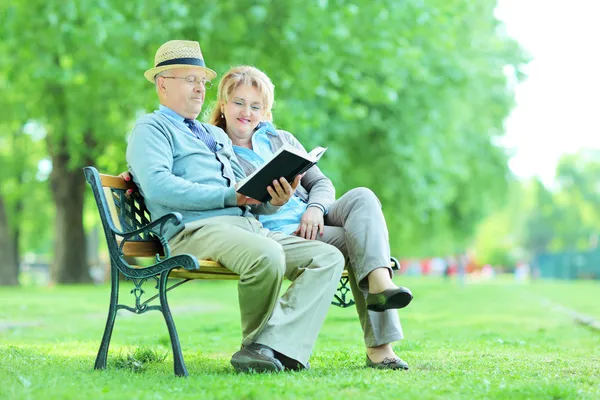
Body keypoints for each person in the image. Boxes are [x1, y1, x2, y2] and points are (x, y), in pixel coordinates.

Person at [126, 40, 346, 373]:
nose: (200, 89)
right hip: (193, 230)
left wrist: (274, 201)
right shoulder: (151, 128)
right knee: (267, 255)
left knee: (328, 257)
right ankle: (258, 347)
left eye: (203, 82)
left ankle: (267, 348)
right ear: (163, 83)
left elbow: (247, 200)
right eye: (190, 80)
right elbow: (159, 186)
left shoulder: (212, 134)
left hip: (246, 227)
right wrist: (232, 197)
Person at [206, 65, 414, 370]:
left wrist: (316, 209)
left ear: (265, 110)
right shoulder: (217, 148)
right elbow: (237, 207)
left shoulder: (280, 139)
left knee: (363, 197)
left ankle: (381, 286)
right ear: (223, 105)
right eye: (238, 103)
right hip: (278, 233)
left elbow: (321, 183)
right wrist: (277, 203)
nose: (246, 112)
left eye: (256, 106)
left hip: (314, 220)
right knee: (361, 245)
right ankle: (380, 348)